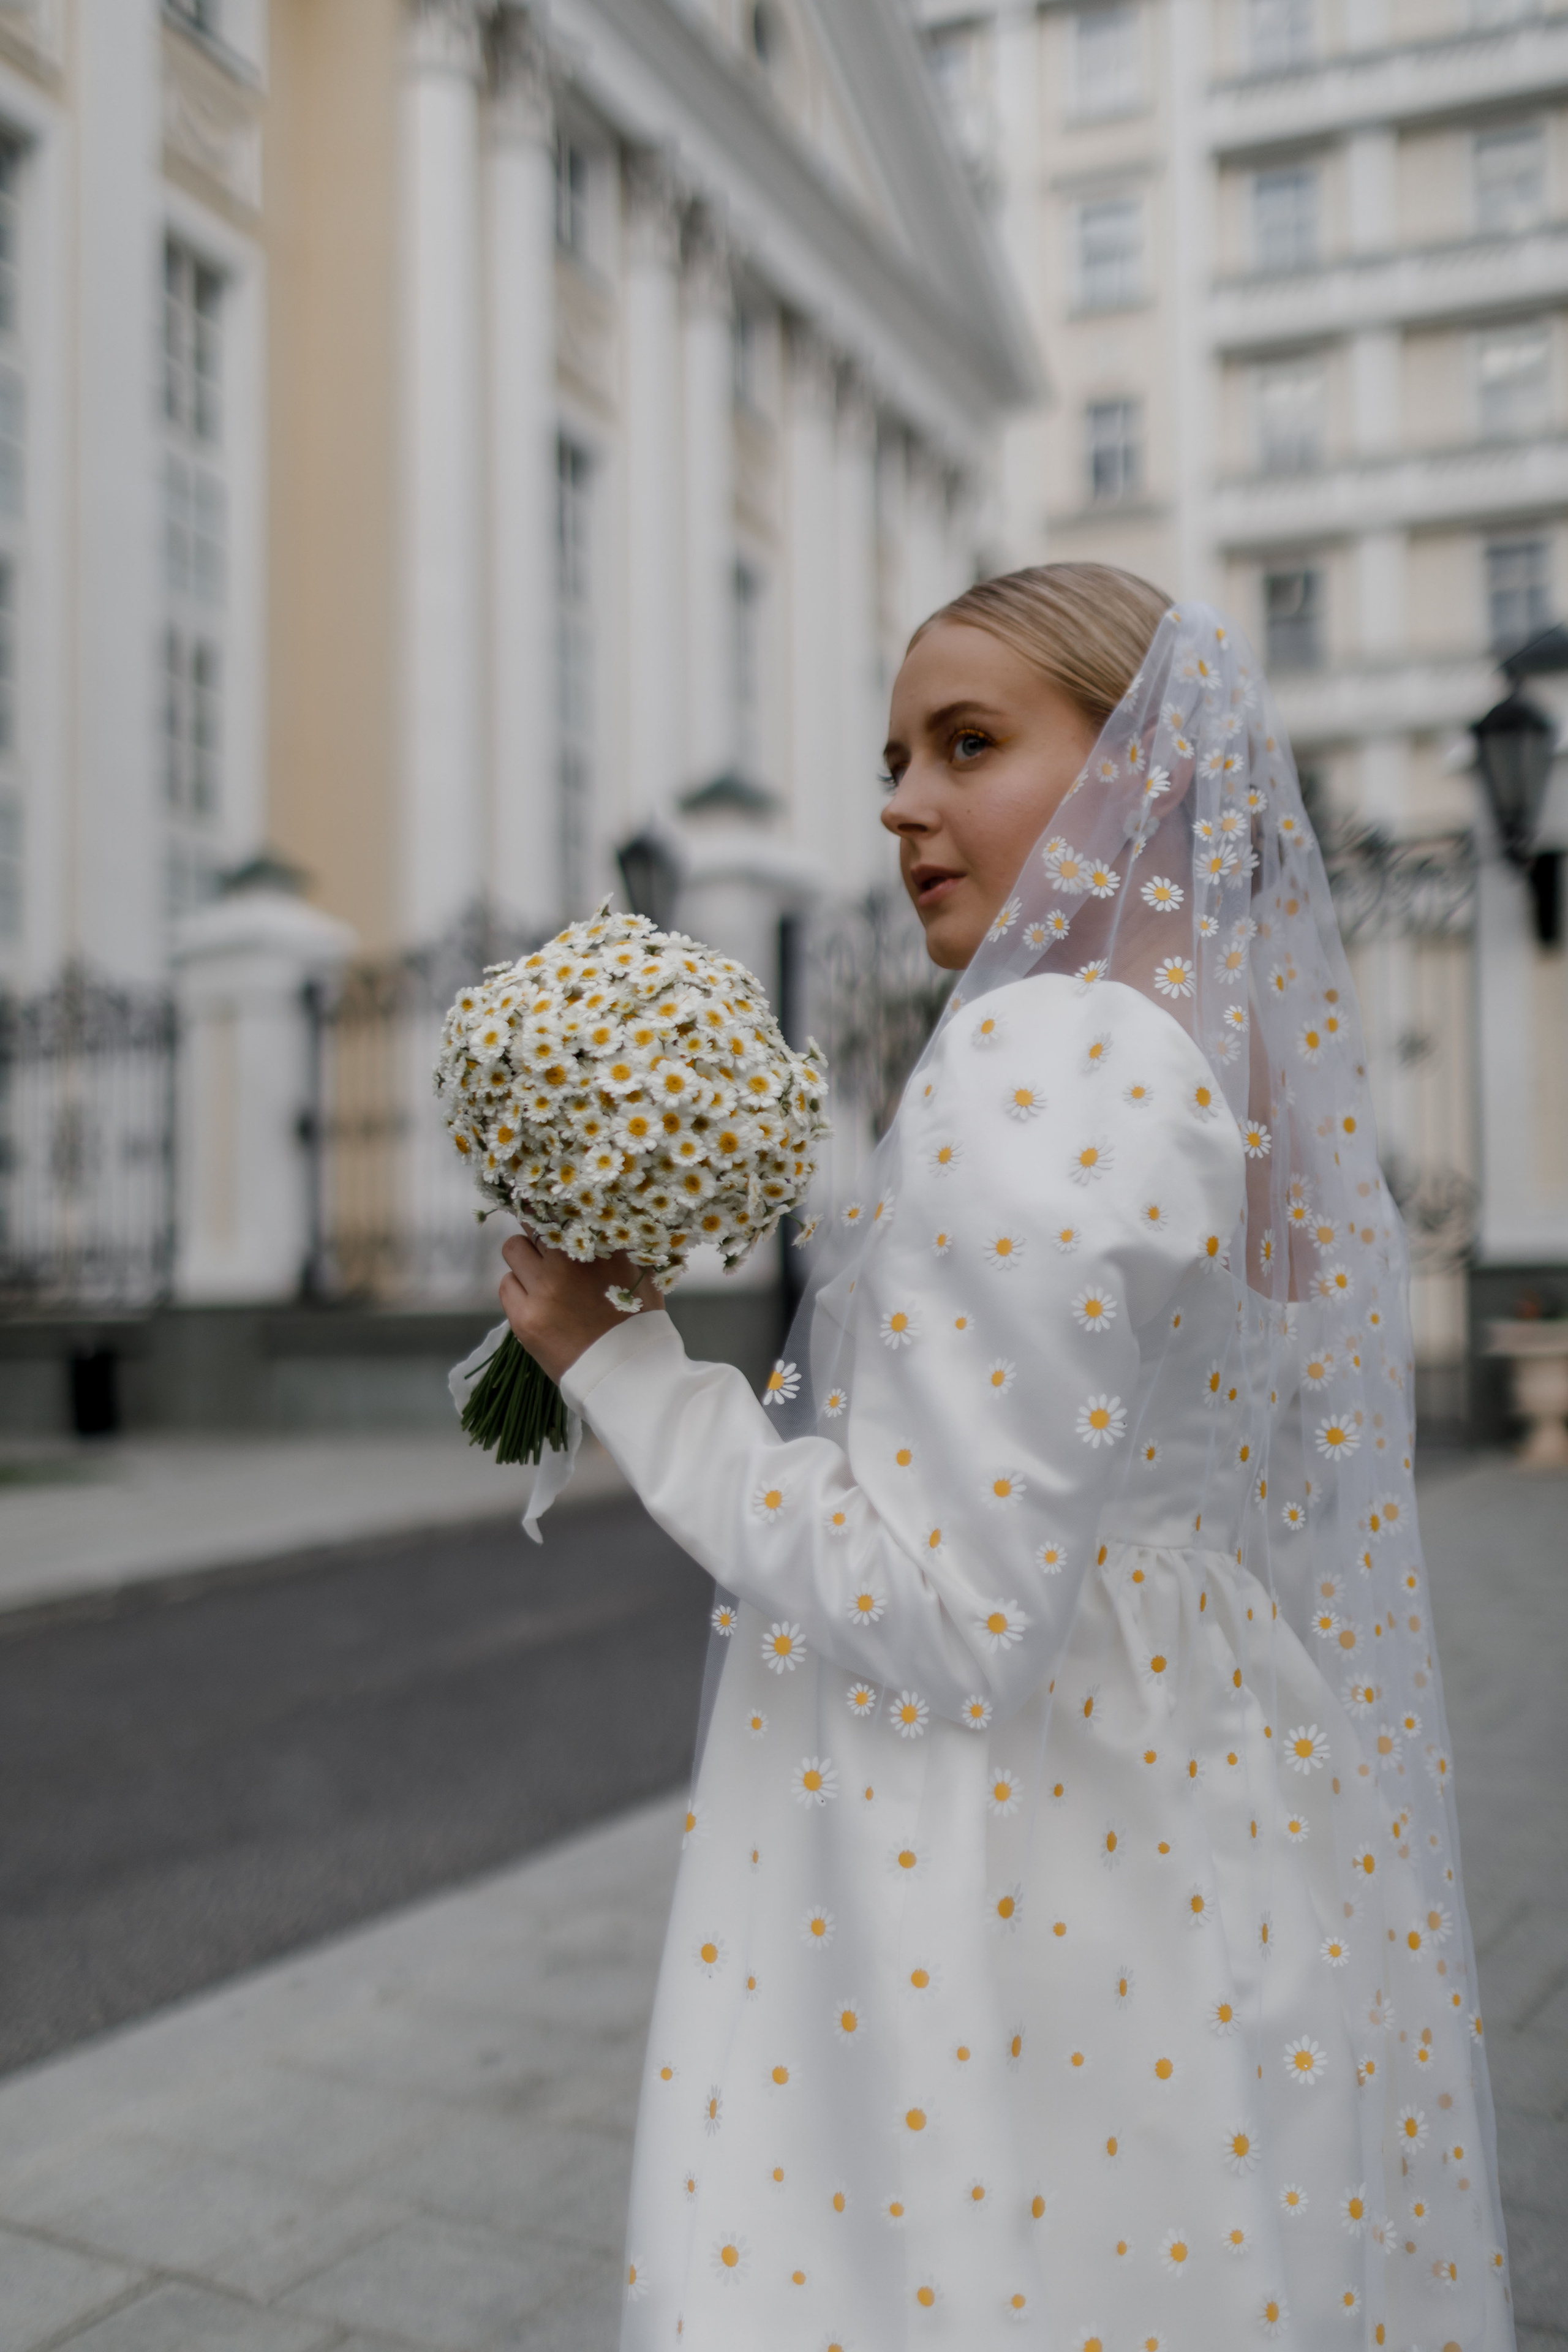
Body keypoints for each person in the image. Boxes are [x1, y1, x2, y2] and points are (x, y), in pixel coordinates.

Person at [497, 566, 1513, 2350]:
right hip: (1205, 1775)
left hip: (1009, 1852)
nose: (900, 802)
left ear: (1152, 783)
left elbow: (948, 1609)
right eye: (895, 753)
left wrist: (621, 1366)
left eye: (969, 744)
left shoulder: (1040, 1060)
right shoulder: (1230, 1061)